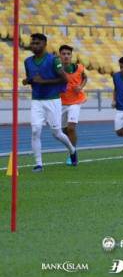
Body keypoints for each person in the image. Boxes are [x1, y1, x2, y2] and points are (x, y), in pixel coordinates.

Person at [22, 33, 77, 172]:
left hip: (52, 100)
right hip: (37, 101)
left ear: (44, 44)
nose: (34, 46)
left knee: (57, 133)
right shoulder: (27, 61)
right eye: (32, 43)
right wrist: (27, 81)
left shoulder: (54, 60)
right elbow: (32, 78)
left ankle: (72, 149)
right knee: (35, 130)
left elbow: (64, 79)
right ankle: (38, 164)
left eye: (37, 43)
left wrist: (43, 81)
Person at [58, 45, 87, 165]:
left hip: (76, 101)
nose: (66, 56)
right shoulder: (56, 69)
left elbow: (85, 77)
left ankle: (73, 154)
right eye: (63, 54)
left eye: (68, 54)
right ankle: (71, 148)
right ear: (60, 55)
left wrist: (80, 86)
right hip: (61, 103)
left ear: (71, 56)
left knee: (71, 128)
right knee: (64, 131)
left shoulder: (79, 67)